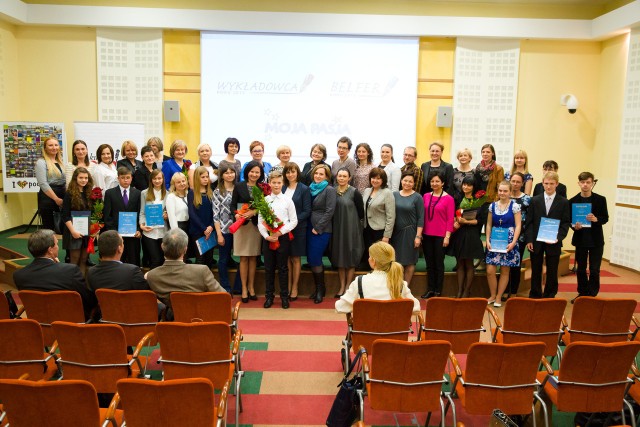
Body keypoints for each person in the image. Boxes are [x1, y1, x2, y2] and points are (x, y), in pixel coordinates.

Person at [13, 229, 97, 321]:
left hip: (39, 326)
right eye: (56, 244)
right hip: (69, 325)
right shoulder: (70, 271)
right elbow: (88, 300)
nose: (58, 247)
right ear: (50, 250)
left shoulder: (19, 275)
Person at [146, 228, 224, 310]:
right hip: (201, 318)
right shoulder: (201, 271)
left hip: (175, 318)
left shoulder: (152, 276)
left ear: (162, 246)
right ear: (185, 249)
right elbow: (223, 296)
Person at [335, 241, 420, 315]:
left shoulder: (360, 282)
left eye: (369, 256)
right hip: (393, 332)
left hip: (366, 332)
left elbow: (340, 307)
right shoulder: (400, 284)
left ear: (373, 261)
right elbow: (416, 308)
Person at [525, 171, 571, 299]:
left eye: (552, 183)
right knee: (536, 268)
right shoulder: (534, 200)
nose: (549, 186)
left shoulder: (563, 202)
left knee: (552, 269)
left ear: (557, 184)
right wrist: (529, 239)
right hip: (536, 241)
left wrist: (558, 237)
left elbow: (565, 223)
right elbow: (529, 222)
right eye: (546, 183)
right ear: (542, 184)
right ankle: (535, 293)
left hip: (554, 241)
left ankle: (550, 294)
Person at [258, 171, 298, 309]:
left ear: (282, 183)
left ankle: (284, 297)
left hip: (282, 238)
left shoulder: (288, 200)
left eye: (278, 182)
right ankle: (269, 296)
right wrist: (266, 236)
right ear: (269, 183)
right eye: (273, 182)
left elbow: (293, 221)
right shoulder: (265, 201)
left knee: (283, 268)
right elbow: (260, 221)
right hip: (268, 238)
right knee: (268, 268)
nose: (276, 185)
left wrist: (280, 232)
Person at [569, 172, 609, 300]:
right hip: (581, 239)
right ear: (578, 183)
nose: (585, 185)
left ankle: (592, 294)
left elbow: (605, 218)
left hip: (596, 239)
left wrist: (596, 219)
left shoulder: (600, 199)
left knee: (594, 269)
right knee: (580, 269)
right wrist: (574, 226)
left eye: (588, 182)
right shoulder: (572, 201)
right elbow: (569, 220)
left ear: (592, 183)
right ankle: (582, 292)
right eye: (583, 182)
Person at [231, 160, 264, 303]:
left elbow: (264, 205)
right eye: (252, 171)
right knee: (243, 258)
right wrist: (236, 214)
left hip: (256, 227)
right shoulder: (239, 186)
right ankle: (243, 288)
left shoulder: (263, 188)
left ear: (261, 174)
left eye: (257, 172)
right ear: (247, 172)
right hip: (242, 226)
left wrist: (254, 212)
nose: (254, 174)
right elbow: (233, 205)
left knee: (253, 258)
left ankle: (251, 287)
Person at [485, 181, 522, 306]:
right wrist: (487, 239)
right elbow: (489, 224)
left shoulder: (515, 206)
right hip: (494, 240)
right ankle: (492, 295)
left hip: (509, 241)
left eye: (505, 191)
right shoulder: (492, 206)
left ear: (510, 192)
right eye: (500, 190)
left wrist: (513, 242)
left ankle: (499, 297)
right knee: (490, 270)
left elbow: (518, 226)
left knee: (505, 270)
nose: (502, 193)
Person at [449, 175, 485, 298]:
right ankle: (459, 290)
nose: (466, 187)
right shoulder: (458, 198)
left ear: (474, 187)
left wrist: (467, 222)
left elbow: (480, 221)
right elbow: (453, 214)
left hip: (472, 234)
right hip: (459, 233)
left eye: (469, 185)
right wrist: (456, 220)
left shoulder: (478, 201)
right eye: (464, 184)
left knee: (469, 263)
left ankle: (466, 291)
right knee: (459, 263)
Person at [331, 168, 364, 297]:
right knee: (340, 256)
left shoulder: (355, 192)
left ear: (349, 178)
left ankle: (348, 287)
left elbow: (361, 213)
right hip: (337, 229)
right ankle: (341, 286)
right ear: (337, 177)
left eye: (345, 176)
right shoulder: (332, 191)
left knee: (350, 257)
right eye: (340, 176)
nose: (342, 178)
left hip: (351, 229)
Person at [421, 170, 455, 299]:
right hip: (427, 234)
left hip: (441, 235)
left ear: (443, 183)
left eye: (437, 181)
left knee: (439, 263)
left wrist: (447, 236)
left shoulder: (449, 199)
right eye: (432, 181)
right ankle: (430, 289)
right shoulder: (425, 196)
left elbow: (450, 219)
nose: (434, 183)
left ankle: (438, 290)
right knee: (429, 263)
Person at [307, 164, 337, 304]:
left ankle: (321, 289)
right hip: (309, 227)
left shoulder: (329, 189)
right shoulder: (311, 188)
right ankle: (318, 288)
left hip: (322, 229)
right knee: (312, 259)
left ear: (327, 176)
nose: (318, 176)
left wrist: (318, 227)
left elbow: (330, 211)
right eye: (316, 173)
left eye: (321, 174)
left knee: (315, 258)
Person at [282, 162, 311, 300]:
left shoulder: (304, 189)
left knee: (295, 258)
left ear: (297, 173)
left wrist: (291, 221)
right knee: (286, 257)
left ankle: (295, 287)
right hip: (282, 229)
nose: (290, 174)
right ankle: (287, 286)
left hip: (298, 228)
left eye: (293, 172)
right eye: (288, 172)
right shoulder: (281, 188)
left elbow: (307, 211)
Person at [103, 167, 142, 266]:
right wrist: (114, 232)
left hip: (133, 235)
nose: (125, 180)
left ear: (131, 178)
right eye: (123, 178)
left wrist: (138, 229)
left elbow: (140, 213)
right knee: (117, 261)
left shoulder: (138, 193)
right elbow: (107, 215)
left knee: (134, 261)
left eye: (128, 177)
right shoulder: (110, 193)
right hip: (116, 235)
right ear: (118, 178)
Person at [391, 171, 424, 286]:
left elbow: (421, 218)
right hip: (396, 233)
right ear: (401, 181)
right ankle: (396, 287)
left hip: (411, 233)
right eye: (405, 180)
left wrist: (418, 236)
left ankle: (406, 288)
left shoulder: (417, 197)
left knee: (410, 262)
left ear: (414, 183)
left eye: (410, 181)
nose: (407, 183)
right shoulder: (394, 195)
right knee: (397, 261)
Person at [213, 163, 242, 294]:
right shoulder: (217, 191)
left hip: (240, 230)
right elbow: (215, 214)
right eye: (226, 173)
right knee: (223, 259)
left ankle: (238, 287)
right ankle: (225, 287)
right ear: (222, 175)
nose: (229, 175)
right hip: (224, 230)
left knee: (244, 259)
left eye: (232, 172)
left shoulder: (240, 189)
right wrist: (219, 234)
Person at [504, 172, 531, 300]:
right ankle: (504, 289)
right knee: (504, 264)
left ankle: (513, 290)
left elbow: (530, 219)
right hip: (504, 236)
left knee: (515, 265)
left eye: (518, 182)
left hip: (520, 237)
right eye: (513, 181)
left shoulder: (527, 199)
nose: (515, 184)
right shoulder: (504, 196)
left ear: (522, 183)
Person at [62, 167, 93, 276]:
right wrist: (73, 231)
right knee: (74, 259)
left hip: (86, 231)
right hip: (73, 231)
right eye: (81, 178)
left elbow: (93, 213)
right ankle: (71, 283)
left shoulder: (90, 193)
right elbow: (65, 215)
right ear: (75, 178)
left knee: (84, 259)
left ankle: (82, 283)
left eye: (86, 178)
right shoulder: (69, 194)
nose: (84, 180)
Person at [36, 136, 66, 231]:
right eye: (50, 145)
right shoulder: (41, 162)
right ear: (45, 148)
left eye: (56, 145)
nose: (54, 147)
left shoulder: (60, 162)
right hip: (48, 198)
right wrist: (56, 199)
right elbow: (43, 183)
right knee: (49, 229)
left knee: (60, 227)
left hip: (62, 194)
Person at [188, 166, 215, 267]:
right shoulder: (192, 193)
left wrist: (211, 227)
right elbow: (192, 213)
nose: (205, 179)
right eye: (202, 177)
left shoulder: (211, 193)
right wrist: (204, 228)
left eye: (207, 177)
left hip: (210, 230)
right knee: (200, 259)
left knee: (209, 259)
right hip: (198, 231)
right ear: (197, 178)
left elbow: (215, 212)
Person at [139, 169, 167, 269]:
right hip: (149, 232)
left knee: (164, 260)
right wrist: (142, 225)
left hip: (164, 232)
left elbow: (171, 213)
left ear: (163, 179)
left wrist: (167, 215)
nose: (157, 181)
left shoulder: (168, 194)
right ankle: (152, 284)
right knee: (155, 260)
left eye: (159, 178)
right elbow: (142, 212)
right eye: (154, 178)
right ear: (151, 180)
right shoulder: (144, 193)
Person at [362, 168, 396, 249]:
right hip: (366, 229)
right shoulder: (367, 190)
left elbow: (391, 217)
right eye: (373, 178)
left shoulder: (387, 193)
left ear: (383, 180)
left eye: (378, 178)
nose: (375, 180)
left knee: (379, 257)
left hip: (380, 231)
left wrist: (387, 236)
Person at [165, 172, 190, 237]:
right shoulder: (171, 197)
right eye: (178, 182)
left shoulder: (188, 194)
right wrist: (176, 233)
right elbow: (171, 217)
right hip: (178, 227)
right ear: (174, 184)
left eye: (183, 181)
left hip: (190, 226)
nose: (182, 183)